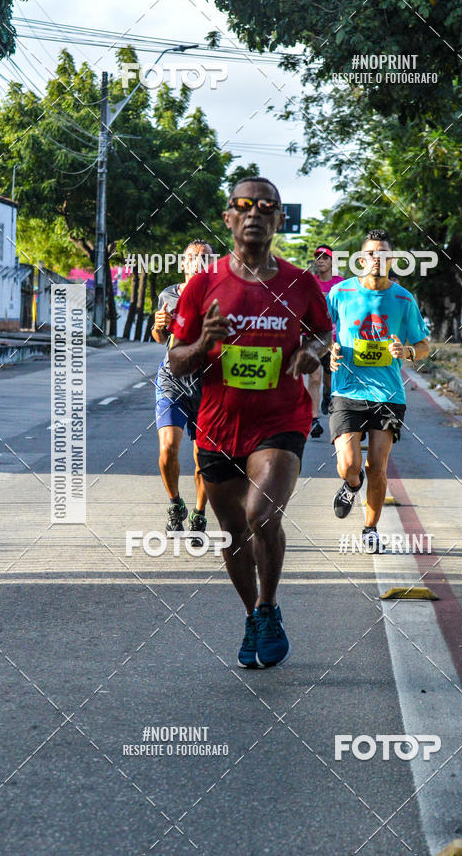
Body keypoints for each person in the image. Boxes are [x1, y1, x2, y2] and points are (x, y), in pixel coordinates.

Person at [168, 177, 332, 666]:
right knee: (231, 529)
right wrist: (203, 344)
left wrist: (310, 352)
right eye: (244, 205)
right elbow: (176, 360)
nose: (255, 212)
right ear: (229, 219)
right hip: (218, 424)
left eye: (267, 206)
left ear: (281, 219)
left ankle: (269, 603)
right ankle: (252, 615)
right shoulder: (203, 284)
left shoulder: (300, 284)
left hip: (281, 419)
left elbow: (323, 333)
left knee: (262, 515)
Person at [327, 229, 430, 552]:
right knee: (350, 465)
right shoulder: (340, 293)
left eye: (383, 254)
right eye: (371, 253)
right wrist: (328, 350)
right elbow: (317, 331)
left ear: (393, 260)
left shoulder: (403, 299)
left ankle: (370, 528)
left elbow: (423, 344)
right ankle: (351, 484)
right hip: (347, 391)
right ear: (361, 258)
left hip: (387, 395)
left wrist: (409, 353)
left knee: (378, 467)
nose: (376, 259)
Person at [152, 240, 212, 540]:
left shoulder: (222, 295)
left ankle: (200, 512)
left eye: (205, 258)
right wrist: (159, 325)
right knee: (167, 450)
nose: (198, 262)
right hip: (172, 381)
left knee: (205, 457)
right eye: (192, 258)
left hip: (209, 385)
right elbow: (159, 336)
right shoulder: (169, 294)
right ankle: (176, 504)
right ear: (183, 264)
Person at [306, 245, 343, 438]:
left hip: (334, 339)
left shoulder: (341, 284)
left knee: (328, 379)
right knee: (314, 378)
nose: (320, 260)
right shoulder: (309, 283)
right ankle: (313, 420)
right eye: (317, 257)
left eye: (325, 258)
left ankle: (328, 394)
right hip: (312, 338)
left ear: (332, 261)